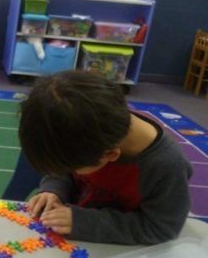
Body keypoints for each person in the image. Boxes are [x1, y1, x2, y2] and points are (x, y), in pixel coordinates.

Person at [18, 70, 192, 245]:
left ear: (110, 155)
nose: (67, 170)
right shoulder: (89, 136)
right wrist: (53, 189)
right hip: (72, 243)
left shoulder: (167, 167)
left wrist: (85, 222)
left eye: (70, 167)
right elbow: (64, 171)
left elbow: (162, 228)